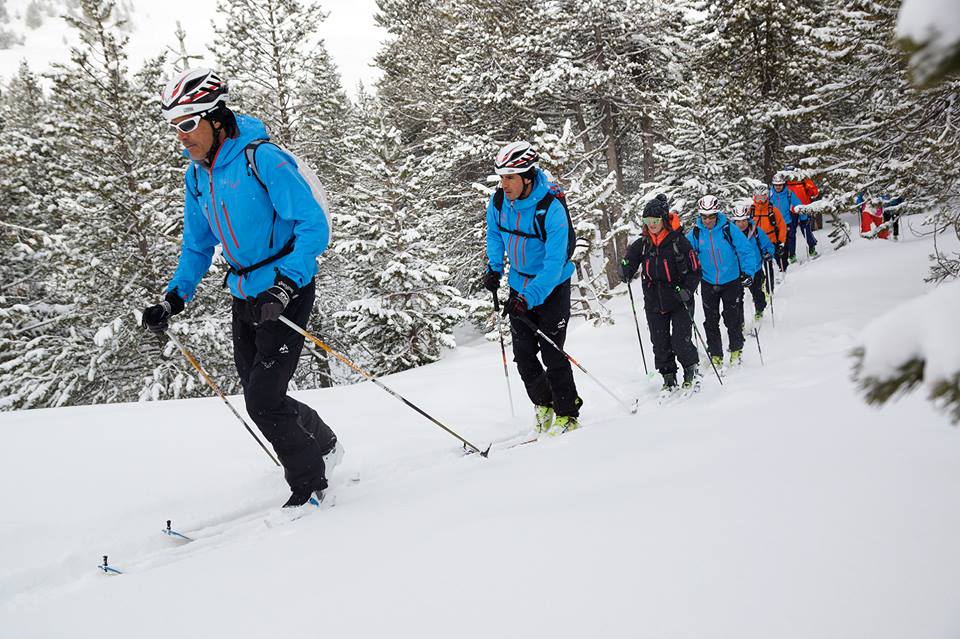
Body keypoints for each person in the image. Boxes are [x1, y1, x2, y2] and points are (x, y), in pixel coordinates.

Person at [140, 68, 342, 509]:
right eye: (176, 127)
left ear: (216, 118)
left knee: (264, 398)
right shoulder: (198, 176)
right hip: (245, 293)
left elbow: (313, 226)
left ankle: (310, 484)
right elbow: (197, 245)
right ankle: (323, 442)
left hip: (287, 287)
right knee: (259, 391)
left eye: (189, 124)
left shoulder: (261, 158)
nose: (182, 137)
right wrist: (174, 298)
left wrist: (287, 284)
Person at [483, 141, 581, 436]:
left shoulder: (550, 209)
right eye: (501, 177)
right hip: (519, 285)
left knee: (552, 353)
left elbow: (553, 265)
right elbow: (495, 234)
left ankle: (568, 411)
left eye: (510, 177)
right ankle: (544, 402)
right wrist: (494, 269)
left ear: (527, 176)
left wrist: (530, 297)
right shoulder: (499, 202)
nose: (504, 184)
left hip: (551, 288)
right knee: (523, 355)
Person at [619, 195, 702, 396]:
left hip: (679, 298)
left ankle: (691, 370)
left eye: (655, 221)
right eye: (647, 222)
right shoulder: (643, 243)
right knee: (660, 342)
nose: (652, 225)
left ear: (664, 220)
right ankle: (668, 377)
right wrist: (625, 270)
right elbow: (629, 261)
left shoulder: (679, 242)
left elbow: (695, 270)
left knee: (680, 341)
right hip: (654, 300)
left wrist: (688, 290)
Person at [686, 195, 759, 369]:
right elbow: (686, 254)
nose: (708, 220)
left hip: (731, 280)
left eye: (711, 216)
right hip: (708, 281)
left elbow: (746, 251)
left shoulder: (728, 229)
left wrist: (748, 272)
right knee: (710, 321)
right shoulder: (695, 233)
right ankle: (716, 354)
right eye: (704, 216)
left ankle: (736, 350)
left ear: (717, 213)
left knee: (732, 318)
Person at [730, 204, 775, 321]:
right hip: (736, 271)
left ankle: (759, 310)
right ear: (734, 221)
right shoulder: (729, 234)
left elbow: (767, 245)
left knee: (757, 293)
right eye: (738, 221)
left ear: (748, 219)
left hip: (756, 268)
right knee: (737, 298)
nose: (741, 224)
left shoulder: (756, 232)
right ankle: (740, 322)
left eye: (744, 220)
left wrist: (769, 253)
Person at [769, 172, 817, 262]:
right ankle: (780, 256)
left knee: (791, 237)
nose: (778, 187)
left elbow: (798, 204)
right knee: (779, 239)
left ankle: (792, 255)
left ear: (783, 184)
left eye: (780, 185)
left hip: (788, 219)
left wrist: (803, 217)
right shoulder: (770, 194)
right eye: (776, 185)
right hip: (776, 222)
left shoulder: (789, 193)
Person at [751, 186, 789, 272]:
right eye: (758, 197)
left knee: (771, 265)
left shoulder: (772, 210)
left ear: (767, 196)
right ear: (754, 197)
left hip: (771, 241)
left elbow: (782, 226)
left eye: (763, 197)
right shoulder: (751, 211)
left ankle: (778, 277)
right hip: (755, 242)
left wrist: (781, 242)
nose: (760, 200)